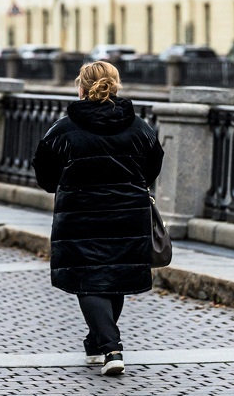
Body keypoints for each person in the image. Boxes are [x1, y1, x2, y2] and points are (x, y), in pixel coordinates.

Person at [32, 61, 164, 377]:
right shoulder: (140, 127)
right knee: (115, 277)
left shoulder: (62, 129)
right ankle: (96, 343)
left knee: (88, 279)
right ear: (115, 86)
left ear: (81, 88)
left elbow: (44, 173)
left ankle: (111, 347)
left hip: (80, 216)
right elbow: (153, 166)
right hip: (128, 215)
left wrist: (64, 184)